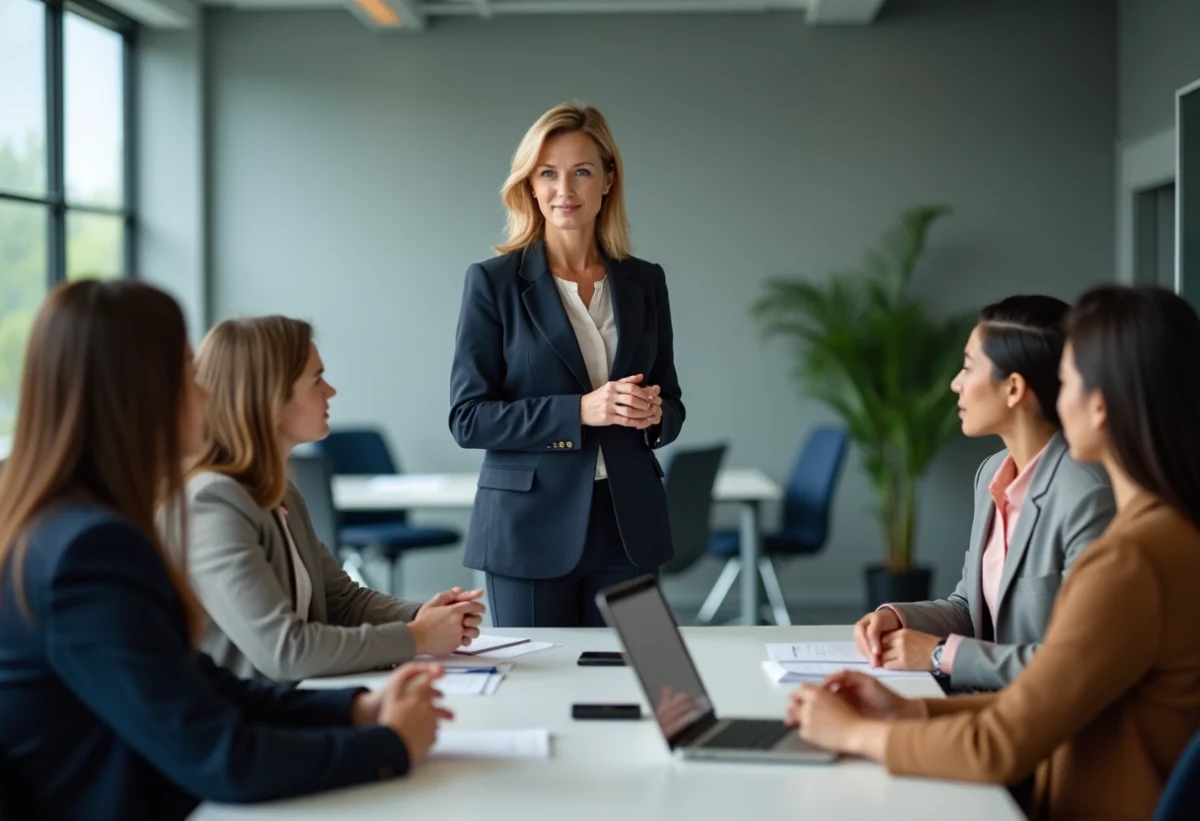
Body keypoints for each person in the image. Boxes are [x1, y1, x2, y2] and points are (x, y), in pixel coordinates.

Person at [0, 280, 451, 821]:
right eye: (187, 372)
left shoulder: (68, 530)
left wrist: (359, 708)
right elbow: (222, 757)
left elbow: (204, 688)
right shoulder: (87, 552)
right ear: (138, 393)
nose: (206, 393)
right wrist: (390, 745)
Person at [787, 285, 1200, 821]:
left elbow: (1001, 744)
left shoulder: (1131, 559)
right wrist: (909, 712)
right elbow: (1049, 700)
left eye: (1067, 380)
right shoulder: (1168, 533)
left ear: (1098, 405)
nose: (1057, 397)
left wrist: (856, 734)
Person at [449, 102, 684, 628]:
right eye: (548, 174)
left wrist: (655, 415)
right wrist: (579, 410)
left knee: (638, 671)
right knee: (538, 673)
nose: (564, 190)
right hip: (528, 527)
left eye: (581, 172)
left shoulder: (646, 281)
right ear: (530, 185)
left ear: (608, 180)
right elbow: (468, 418)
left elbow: (671, 401)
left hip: (629, 525)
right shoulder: (492, 283)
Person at [175, 315, 485, 682]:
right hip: (247, 712)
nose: (331, 391)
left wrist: (422, 616)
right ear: (270, 396)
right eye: (317, 380)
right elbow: (286, 651)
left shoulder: (281, 491)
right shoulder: (213, 502)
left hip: (300, 700)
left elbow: (342, 600)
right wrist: (417, 637)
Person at [854, 296, 1114, 691]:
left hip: (1043, 716)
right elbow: (970, 610)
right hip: (987, 702)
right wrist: (896, 617)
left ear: (1013, 388)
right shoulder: (991, 473)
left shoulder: (1087, 496)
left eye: (968, 367)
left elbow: (1078, 663)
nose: (955, 383)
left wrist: (939, 654)